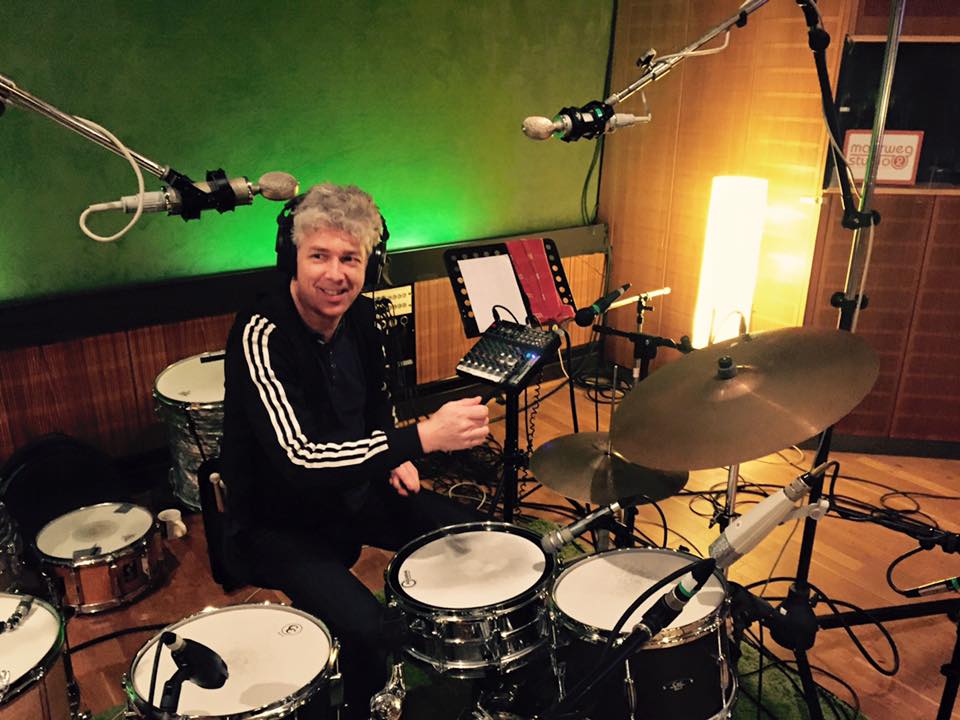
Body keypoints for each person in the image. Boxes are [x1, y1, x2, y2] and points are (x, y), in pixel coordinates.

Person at [220, 182, 489, 719]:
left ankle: (476, 677)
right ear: (292, 257)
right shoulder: (261, 333)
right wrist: (419, 438)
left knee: (472, 538)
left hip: (354, 491)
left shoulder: (362, 318)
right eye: (318, 256)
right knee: (369, 631)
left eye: (350, 258)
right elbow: (299, 459)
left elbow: (375, 408)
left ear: (371, 264)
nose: (335, 274)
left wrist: (398, 455)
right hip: (277, 522)